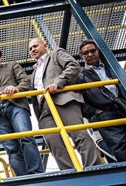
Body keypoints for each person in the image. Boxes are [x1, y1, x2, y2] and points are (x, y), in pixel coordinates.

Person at [0, 44, 44, 176]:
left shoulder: (12, 66)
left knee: (25, 137)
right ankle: (23, 178)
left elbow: (25, 82)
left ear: (0, 56)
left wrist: (16, 89)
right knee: (11, 148)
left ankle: (37, 174)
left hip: (15, 105)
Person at [28, 37, 99, 170]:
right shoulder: (33, 73)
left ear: (44, 45)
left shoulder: (56, 54)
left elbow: (73, 66)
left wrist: (58, 82)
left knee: (79, 135)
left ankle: (94, 168)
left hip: (63, 99)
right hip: (44, 110)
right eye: (31, 49)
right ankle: (69, 173)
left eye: (35, 46)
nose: (33, 50)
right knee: (53, 141)